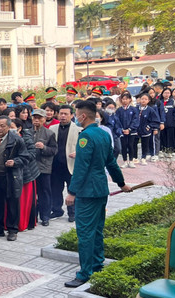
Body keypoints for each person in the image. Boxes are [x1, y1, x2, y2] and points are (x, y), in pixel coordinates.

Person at [64, 101, 131, 288]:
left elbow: (81, 167)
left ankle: (85, 273)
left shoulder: (85, 137)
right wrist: (121, 183)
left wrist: (72, 192)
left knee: (85, 233)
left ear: (83, 116)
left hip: (88, 192)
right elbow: (112, 162)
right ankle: (97, 265)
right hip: (101, 189)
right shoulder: (103, 134)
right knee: (97, 230)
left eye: (77, 114)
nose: (76, 117)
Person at [0, 116, 28, 241]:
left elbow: (25, 157)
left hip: (11, 176)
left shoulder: (17, 140)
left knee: (12, 203)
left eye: (2, 126)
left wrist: (15, 161)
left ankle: (13, 230)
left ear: (8, 127)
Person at [49, 105, 82, 223]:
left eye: (66, 114)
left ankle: (72, 212)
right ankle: (57, 210)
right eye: (61, 113)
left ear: (72, 115)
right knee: (56, 189)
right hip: (56, 165)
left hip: (71, 165)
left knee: (72, 189)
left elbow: (84, 147)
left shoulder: (78, 129)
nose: (63, 116)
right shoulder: (52, 129)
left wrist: (78, 152)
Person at [30, 109, 57, 226]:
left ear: (44, 119)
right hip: (30, 168)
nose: (36, 120)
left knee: (45, 192)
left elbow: (54, 150)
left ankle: (45, 216)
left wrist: (44, 147)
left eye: (39, 118)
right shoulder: (27, 132)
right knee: (31, 193)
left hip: (44, 167)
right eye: (34, 117)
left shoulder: (49, 133)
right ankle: (32, 216)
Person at [115, 91, 139, 167]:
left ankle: (131, 161)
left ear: (130, 100)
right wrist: (122, 129)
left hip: (131, 131)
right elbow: (117, 121)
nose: (125, 101)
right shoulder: (119, 110)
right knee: (124, 146)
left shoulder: (133, 109)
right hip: (122, 131)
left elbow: (135, 120)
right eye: (123, 99)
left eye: (126, 99)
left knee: (131, 145)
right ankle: (125, 161)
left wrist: (130, 129)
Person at [137, 92, 160, 165]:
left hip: (146, 130)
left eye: (145, 99)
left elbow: (155, 120)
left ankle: (143, 157)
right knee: (134, 144)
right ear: (139, 100)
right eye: (142, 99)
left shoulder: (150, 109)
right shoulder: (135, 108)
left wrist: (149, 127)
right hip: (136, 129)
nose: (143, 100)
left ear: (148, 100)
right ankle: (134, 158)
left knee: (145, 144)